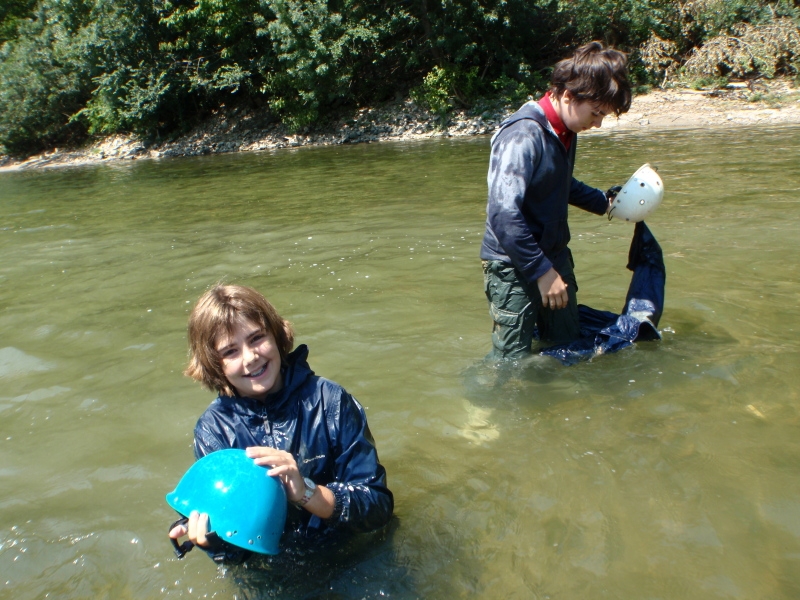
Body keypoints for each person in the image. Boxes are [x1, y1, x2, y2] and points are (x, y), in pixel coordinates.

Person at [168, 284, 393, 562]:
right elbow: (239, 556)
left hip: (350, 558)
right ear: (215, 365)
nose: (251, 357)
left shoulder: (329, 402)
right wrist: (215, 544)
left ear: (276, 335)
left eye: (257, 338)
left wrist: (307, 492)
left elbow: (378, 508)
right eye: (230, 352)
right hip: (273, 573)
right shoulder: (213, 432)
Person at [480, 41, 632, 358]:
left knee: (566, 345)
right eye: (596, 113)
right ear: (567, 96)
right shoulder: (523, 134)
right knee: (511, 363)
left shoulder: (565, 129)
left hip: (553, 257)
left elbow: (560, 184)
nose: (598, 123)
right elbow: (503, 215)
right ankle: (486, 406)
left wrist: (606, 203)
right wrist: (542, 272)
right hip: (513, 267)